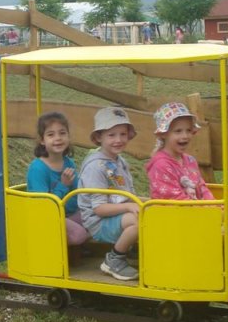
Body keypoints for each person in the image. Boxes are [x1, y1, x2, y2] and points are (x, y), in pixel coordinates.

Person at [78, 106, 141, 282]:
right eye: (111, 135)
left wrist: (149, 202)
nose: (118, 140)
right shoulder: (96, 167)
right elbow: (99, 209)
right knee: (138, 221)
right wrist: (129, 206)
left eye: (123, 134)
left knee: (153, 210)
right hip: (98, 222)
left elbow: (127, 195)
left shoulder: (120, 162)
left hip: (116, 214)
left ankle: (137, 250)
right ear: (99, 137)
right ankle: (114, 259)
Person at [26, 111, 88, 246]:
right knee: (79, 234)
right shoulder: (37, 168)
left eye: (62, 133)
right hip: (46, 218)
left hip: (65, 213)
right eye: (51, 134)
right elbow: (44, 207)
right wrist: (63, 185)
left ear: (68, 136)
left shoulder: (68, 163)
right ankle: (51, 247)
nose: (58, 138)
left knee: (95, 217)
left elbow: (76, 195)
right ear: (42, 140)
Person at [145, 102, 214, 201]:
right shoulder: (161, 165)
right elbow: (174, 198)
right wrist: (204, 208)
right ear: (163, 134)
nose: (185, 136)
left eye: (188, 130)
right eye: (178, 131)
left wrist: (215, 204)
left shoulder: (190, 160)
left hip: (196, 208)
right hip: (174, 210)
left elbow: (201, 187)